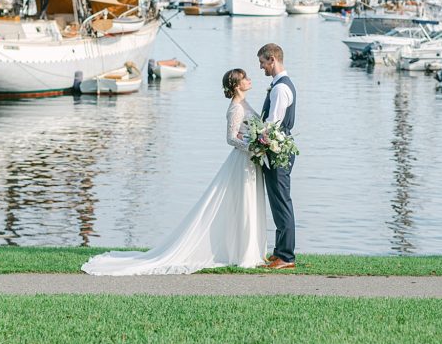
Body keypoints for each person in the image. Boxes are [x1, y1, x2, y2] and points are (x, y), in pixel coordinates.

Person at [82, 69, 267, 275]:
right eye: (245, 79)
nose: (250, 80)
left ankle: (249, 249)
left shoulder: (245, 104)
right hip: (242, 161)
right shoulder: (236, 109)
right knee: (242, 203)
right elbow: (231, 138)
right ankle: (243, 252)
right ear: (236, 85)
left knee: (249, 202)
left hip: (250, 161)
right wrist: (253, 145)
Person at [256, 42, 297, 270]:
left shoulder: (281, 88)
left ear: (272, 59)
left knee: (282, 202)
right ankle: (279, 251)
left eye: (262, 63)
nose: (261, 68)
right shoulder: (279, 85)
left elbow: (273, 124)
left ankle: (286, 256)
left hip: (278, 151)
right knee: (278, 201)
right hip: (277, 148)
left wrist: (258, 140)